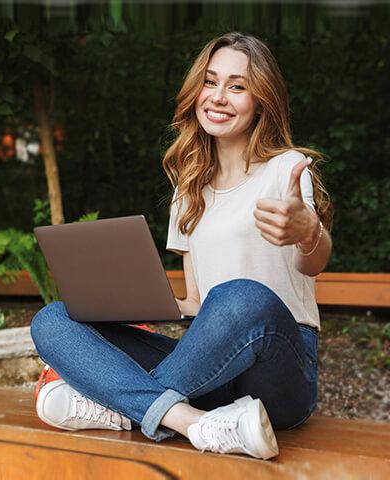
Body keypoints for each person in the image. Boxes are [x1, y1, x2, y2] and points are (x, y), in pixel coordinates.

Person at [30, 31, 333, 460]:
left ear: (261, 99)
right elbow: (196, 302)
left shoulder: (287, 170)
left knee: (241, 296)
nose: (219, 97)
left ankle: (117, 405)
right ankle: (191, 422)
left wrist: (307, 231)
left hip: (280, 372)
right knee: (53, 319)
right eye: (210, 82)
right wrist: (125, 304)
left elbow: (312, 264)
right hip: (213, 371)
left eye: (238, 86)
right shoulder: (189, 188)